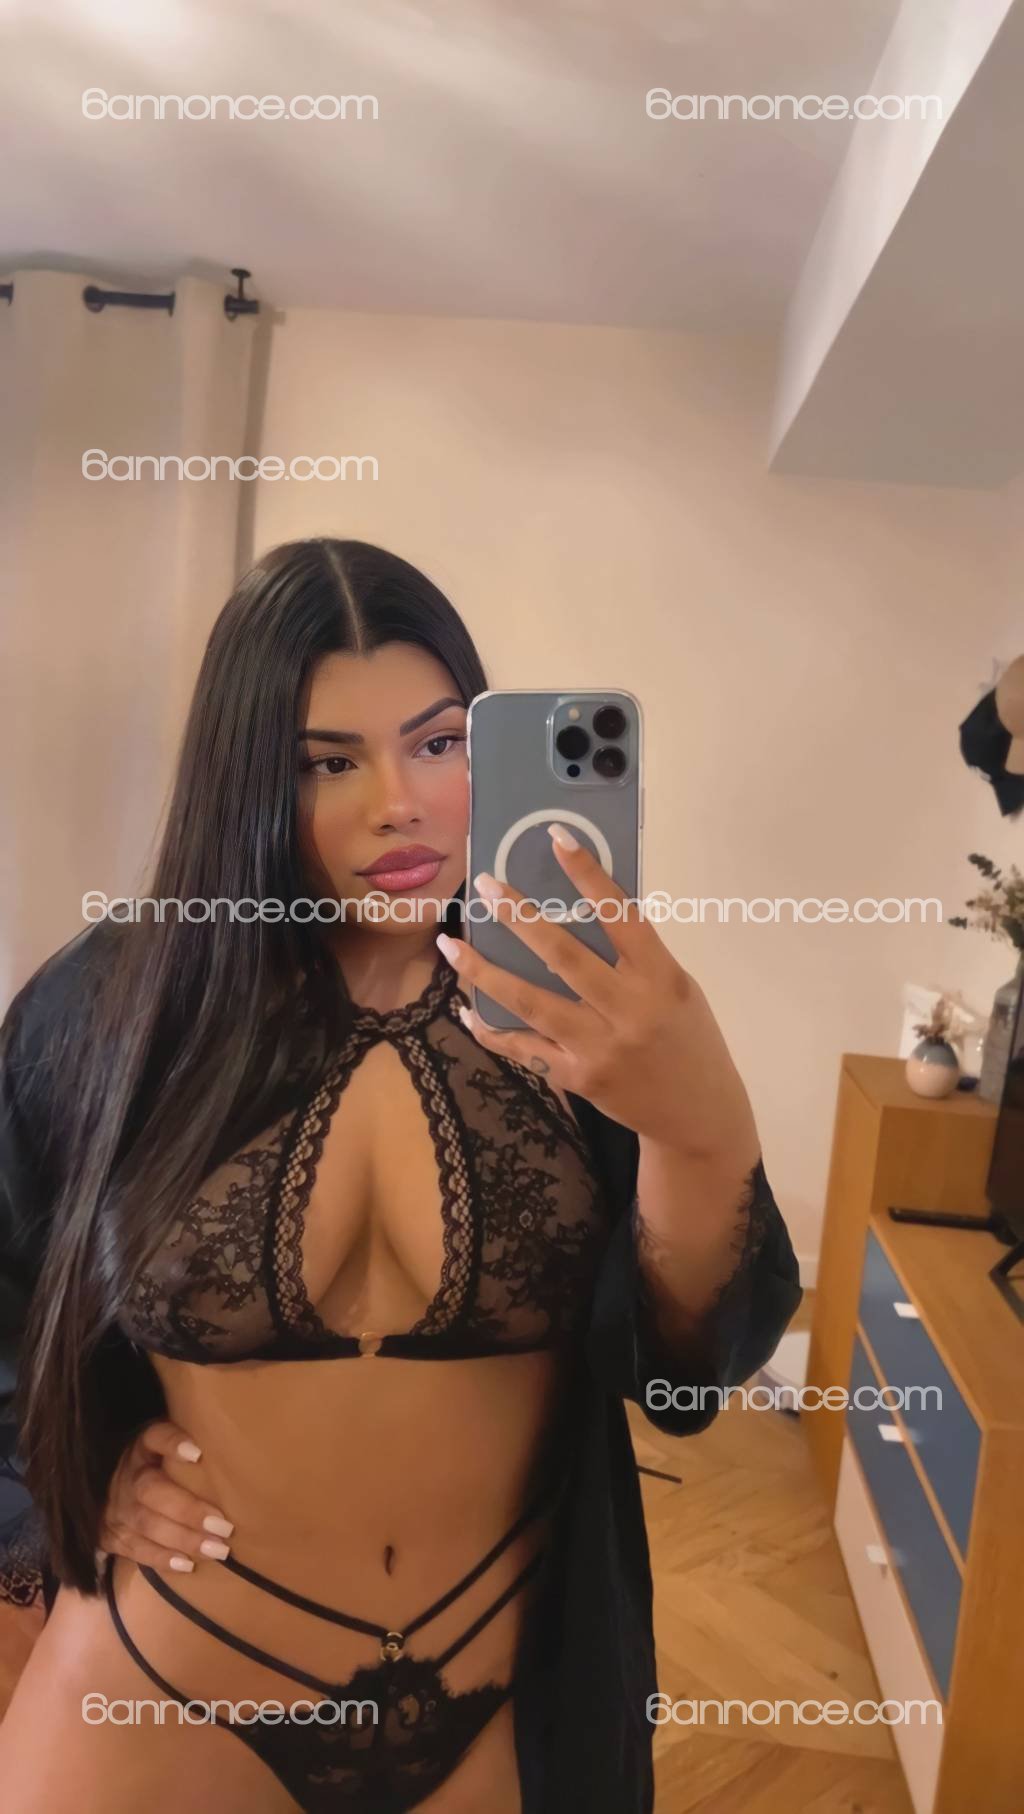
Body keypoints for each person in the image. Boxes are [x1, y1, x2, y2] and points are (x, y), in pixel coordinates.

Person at [0, 537, 802, 1813]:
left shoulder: (583, 1014)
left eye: (438, 743)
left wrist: (699, 1132)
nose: (401, 803)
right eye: (327, 761)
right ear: (243, 779)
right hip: (161, 1696)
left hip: (505, 1705)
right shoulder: (110, 1010)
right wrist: (65, 1478)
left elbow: (680, 1376)